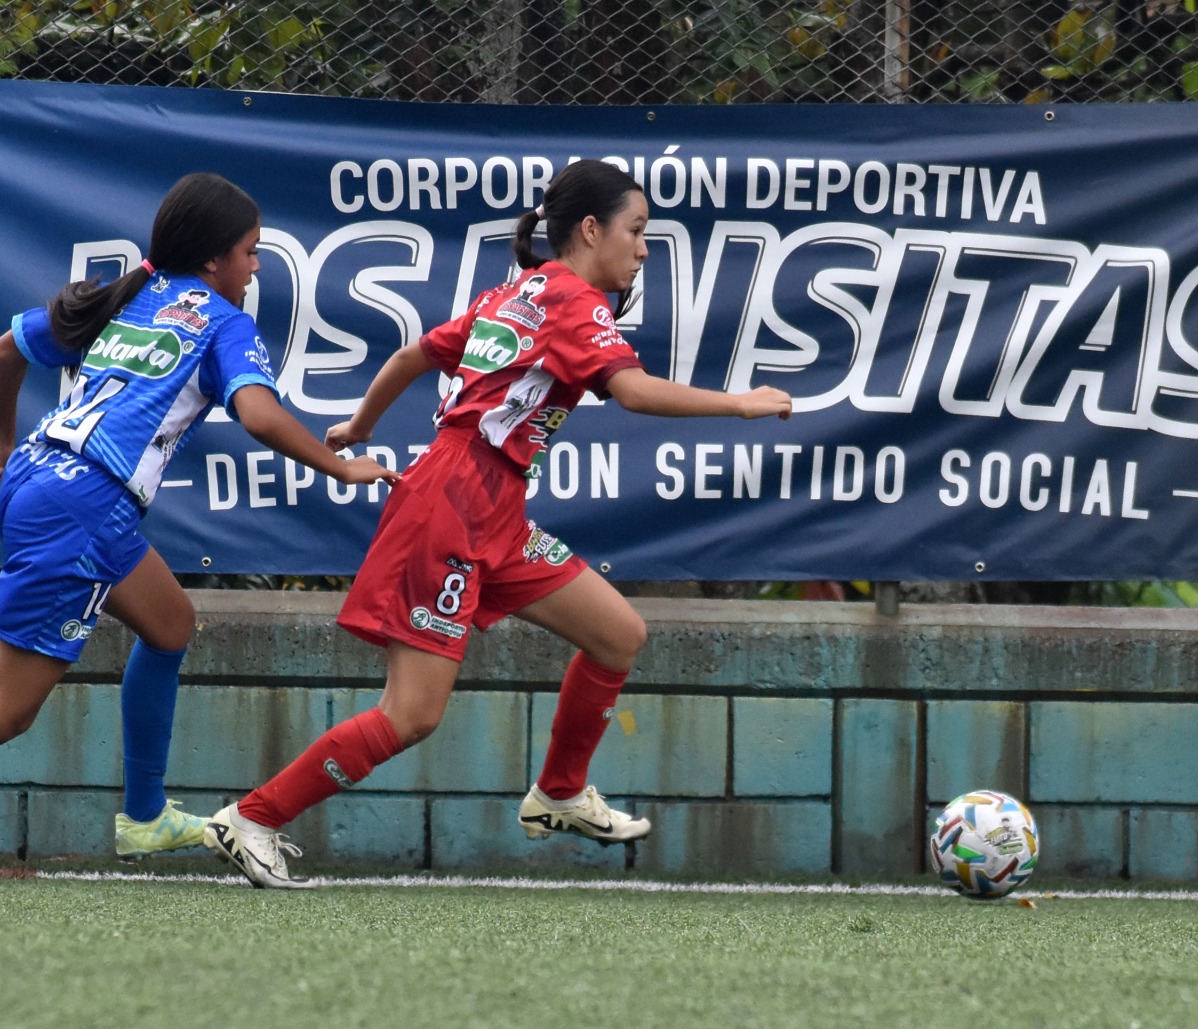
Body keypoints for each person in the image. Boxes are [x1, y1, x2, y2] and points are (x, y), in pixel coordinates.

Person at [0, 172, 398, 877]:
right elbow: (259, 414)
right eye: (251, 253)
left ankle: (145, 817)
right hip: (85, 507)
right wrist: (340, 466)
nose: (256, 269)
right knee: (6, 709)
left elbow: (3, 352)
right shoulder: (223, 322)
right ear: (213, 261)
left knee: (169, 625)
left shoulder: (134, 294)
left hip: (43, 478)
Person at [203, 159, 792, 889]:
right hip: (451, 506)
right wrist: (739, 404)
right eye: (637, 231)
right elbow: (633, 393)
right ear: (589, 229)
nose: (643, 249)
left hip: (493, 506)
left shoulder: (522, 289)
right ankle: (254, 817)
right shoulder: (573, 301)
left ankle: (561, 791)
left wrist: (360, 423)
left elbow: (415, 353)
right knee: (413, 714)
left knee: (618, 636)